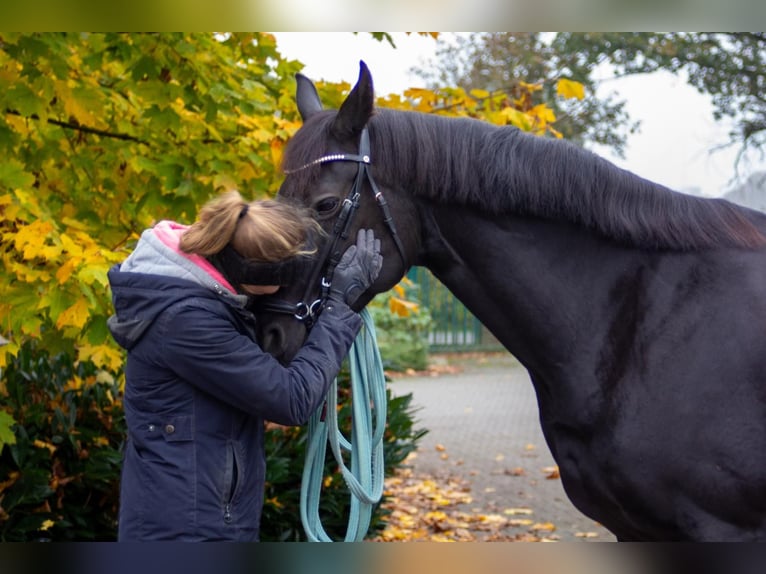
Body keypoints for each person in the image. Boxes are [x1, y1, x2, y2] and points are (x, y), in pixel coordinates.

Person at [106, 190, 382, 542]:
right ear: (253, 270)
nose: (286, 287)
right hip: (184, 534)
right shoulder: (186, 320)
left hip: (204, 521)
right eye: (285, 276)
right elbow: (291, 398)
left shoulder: (200, 295)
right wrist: (338, 309)